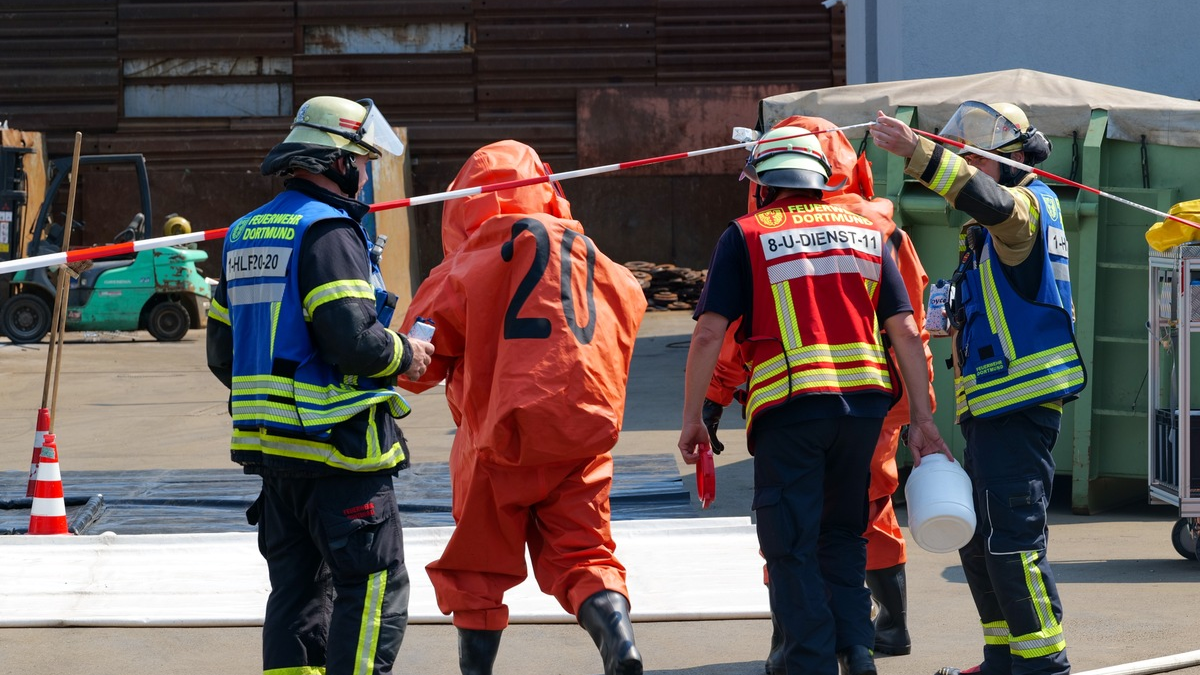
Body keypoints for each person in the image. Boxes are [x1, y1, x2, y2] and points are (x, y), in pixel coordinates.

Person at [677, 124, 950, 675]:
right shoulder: (868, 231)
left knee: (791, 543)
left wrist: (693, 419)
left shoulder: (746, 235)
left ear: (762, 182)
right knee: (843, 535)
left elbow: (710, 334)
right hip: (864, 415)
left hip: (791, 412)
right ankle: (857, 652)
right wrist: (923, 418)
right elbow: (904, 329)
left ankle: (809, 662)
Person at [394, 140, 649, 675]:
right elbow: (630, 300)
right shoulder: (588, 252)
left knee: (477, 570)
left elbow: (416, 365)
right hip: (579, 437)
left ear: (465, 203)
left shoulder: (469, 259)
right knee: (584, 554)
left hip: (496, 440)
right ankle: (619, 642)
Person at [206, 95, 435, 675]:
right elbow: (355, 342)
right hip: (341, 454)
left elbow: (221, 354)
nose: (364, 175)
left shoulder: (243, 234)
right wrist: (408, 353)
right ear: (337, 161)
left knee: (296, 598)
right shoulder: (329, 232)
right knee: (374, 593)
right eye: (362, 161)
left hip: (275, 457)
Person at [871, 101, 1087, 675]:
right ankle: (1002, 658)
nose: (968, 172)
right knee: (981, 538)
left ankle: (1045, 663)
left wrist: (918, 153)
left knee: (1013, 541)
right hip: (991, 410)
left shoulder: (1024, 211)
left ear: (1010, 161)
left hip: (1019, 407)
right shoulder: (990, 238)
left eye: (976, 162)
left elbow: (989, 201)